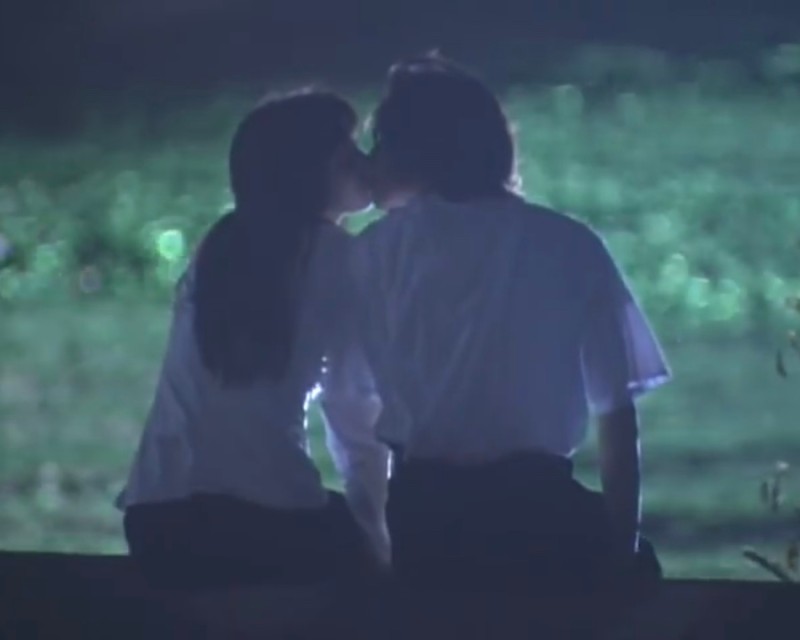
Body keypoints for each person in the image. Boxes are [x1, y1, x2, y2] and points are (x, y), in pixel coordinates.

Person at [348, 55, 671, 591]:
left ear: (415, 151)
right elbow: (617, 419)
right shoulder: (569, 244)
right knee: (641, 568)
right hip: (535, 511)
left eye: (383, 140)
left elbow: (355, 413)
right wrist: (622, 550)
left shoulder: (374, 252)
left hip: (426, 523)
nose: (371, 158)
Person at [115, 90, 390, 589]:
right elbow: (356, 417)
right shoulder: (343, 259)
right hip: (262, 520)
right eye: (347, 155)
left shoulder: (219, 245)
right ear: (306, 174)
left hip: (155, 516)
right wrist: (378, 535)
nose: (364, 162)